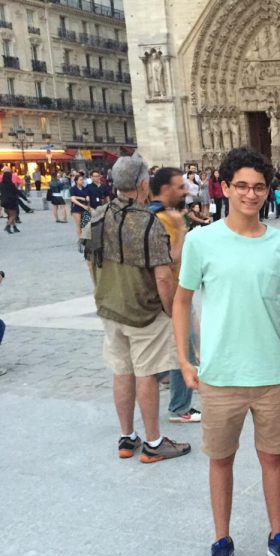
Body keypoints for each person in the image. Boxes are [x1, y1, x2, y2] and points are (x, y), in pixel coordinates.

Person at [173, 147, 280, 556]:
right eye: (242, 186)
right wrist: (184, 358)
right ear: (224, 187)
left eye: (259, 186)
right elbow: (182, 301)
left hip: (271, 371)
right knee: (221, 461)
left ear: (269, 191)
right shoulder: (200, 241)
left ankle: (278, 534)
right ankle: (221, 540)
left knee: (273, 460)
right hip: (220, 373)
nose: (251, 194)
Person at [86, 155, 191, 463]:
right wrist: (173, 312)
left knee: (121, 371)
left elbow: (91, 262)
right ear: (144, 183)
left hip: (111, 308)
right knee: (146, 374)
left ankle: (126, 436)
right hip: (144, 311)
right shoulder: (148, 222)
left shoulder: (95, 215)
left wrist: (102, 293)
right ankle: (154, 441)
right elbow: (162, 274)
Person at [147, 167, 202, 426]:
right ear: (166, 189)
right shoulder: (166, 218)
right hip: (173, 291)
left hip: (155, 294)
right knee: (186, 347)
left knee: (180, 345)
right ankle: (180, 407)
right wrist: (182, 231)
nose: (185, 191)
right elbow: (170, 259)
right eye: (180, 187)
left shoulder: (146, 214)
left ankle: (159, 380)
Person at [70, 173, 91, 244]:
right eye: (80, 180)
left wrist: (86, 200)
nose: (82, 181)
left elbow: (87, 197)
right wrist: (82, 203)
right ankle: (80, 239)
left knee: (85, 223)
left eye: (83, 180)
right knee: (78, 224)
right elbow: (73, 199)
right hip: (76, 208)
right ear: (76, 181)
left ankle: (85, 238)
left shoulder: (85, 188)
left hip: (85, 208)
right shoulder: (73, 189)